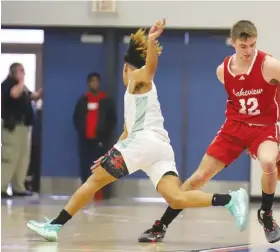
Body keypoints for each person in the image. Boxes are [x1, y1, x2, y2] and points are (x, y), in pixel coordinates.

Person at [26, 18, 249, 242]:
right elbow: (126, 132)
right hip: (160, 149)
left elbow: (150, 69)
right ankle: (229, 200)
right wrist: (109, 154)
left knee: (93, 181)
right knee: (177, 198)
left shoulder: (136, 79)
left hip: (143, 144)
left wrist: (152, 41)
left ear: (125, 67)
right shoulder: (136, 96)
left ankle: (55, 226)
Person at [138, 20, 280, 244]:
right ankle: (160, 225)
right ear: (234, 43)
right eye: (243, 46)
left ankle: (266, 215)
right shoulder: (223, 71)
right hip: (234, 128)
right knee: (198, 178)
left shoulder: (268, 64)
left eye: (252, 45)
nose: (248, 51)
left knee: (268, 162)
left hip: (263, 129)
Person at [1, 63, 43, 198]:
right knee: (10, 157)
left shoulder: (22, 87)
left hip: (24, 127)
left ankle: (19, 187)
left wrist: (40, 94)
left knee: (23, 157)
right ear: (13, 72)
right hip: (12, 127)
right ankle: (2, 186)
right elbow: (14, 94)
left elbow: (32, 96)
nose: (23, 73)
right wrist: (21, 81)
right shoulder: (7, 84)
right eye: (21, 71)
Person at [73, 72, 117, 183]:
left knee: (101, 166)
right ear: (88, 84)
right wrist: (82, 132)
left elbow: (112, 120)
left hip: (101, 141)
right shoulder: (82, 101)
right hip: (85, 141)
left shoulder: (106, 101)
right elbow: (76, 118)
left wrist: (104, 133)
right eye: (92, 81)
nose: (94, 84)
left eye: (96, 81)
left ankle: (100, 193)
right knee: (85, 166)